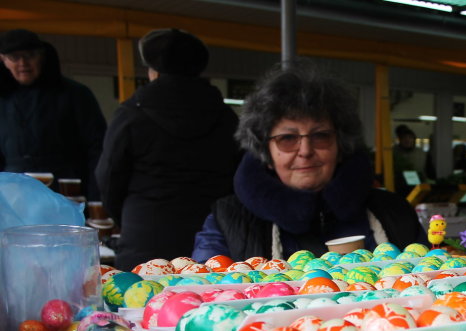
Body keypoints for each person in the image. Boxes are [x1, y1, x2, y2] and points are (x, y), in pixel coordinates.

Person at [192, 60, 424, 262]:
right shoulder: (227, 222)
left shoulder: (394, 214)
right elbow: (205, 297)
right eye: (287, 138)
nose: (305, 150)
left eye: (320, 135)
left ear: (341, 146)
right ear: (266, 153)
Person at [96, 29, 239, 271]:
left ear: (154, 72)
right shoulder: (226, 117)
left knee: (140, 305)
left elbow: (108, 177)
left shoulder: (131, 114)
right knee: (209, 304)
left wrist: (128, 219)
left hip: (145, 237)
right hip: (213, 241)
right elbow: (238, 176)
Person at [0, 29, 106, 200]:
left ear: (42, 56)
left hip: (65, 194)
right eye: (14, 57)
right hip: (13, 197)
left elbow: (98, 148)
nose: (23, 63)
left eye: (30, 55)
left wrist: (97, 199)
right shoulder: (2, 99)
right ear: (3, 60)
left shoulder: (75, 94)